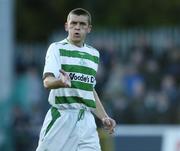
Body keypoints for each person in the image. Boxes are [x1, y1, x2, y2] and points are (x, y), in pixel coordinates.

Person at [36, 8, 116, 151]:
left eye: (82, 24)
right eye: (73, 23)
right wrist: (60, 82)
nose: (77, 27)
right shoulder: (56, 49)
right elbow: (47, 81)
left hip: (86, 122)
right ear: (67, 26)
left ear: (89, 28)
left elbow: (89, 90)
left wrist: (104, 117)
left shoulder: (93, 54)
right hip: (62, 118)